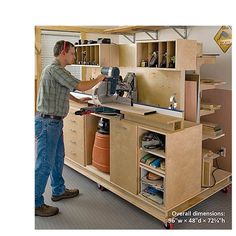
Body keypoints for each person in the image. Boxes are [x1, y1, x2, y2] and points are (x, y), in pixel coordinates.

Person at [35, 40, 105, 217]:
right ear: (63, 52)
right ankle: (35, 203)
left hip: (54, 122)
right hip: (47, 123)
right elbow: (80, 85)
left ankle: (58, 190)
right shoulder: (55, 69)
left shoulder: (56, 71)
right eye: (73, 53)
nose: (74, 56)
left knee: (58, 158)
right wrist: (100, 77)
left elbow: (63, 91)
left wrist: (78, 100)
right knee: (44, 163)